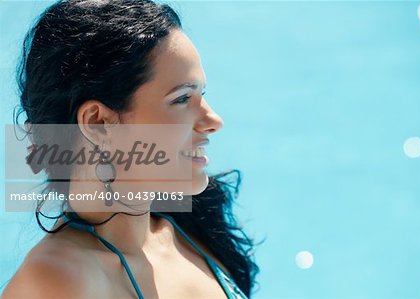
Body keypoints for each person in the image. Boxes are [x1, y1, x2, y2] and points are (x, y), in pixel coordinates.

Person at [1, 0, 259, 298]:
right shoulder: (58, 282)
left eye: (202, 94)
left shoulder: (189, 230)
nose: (214, 120)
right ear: (98, 123)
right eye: (181, 99)